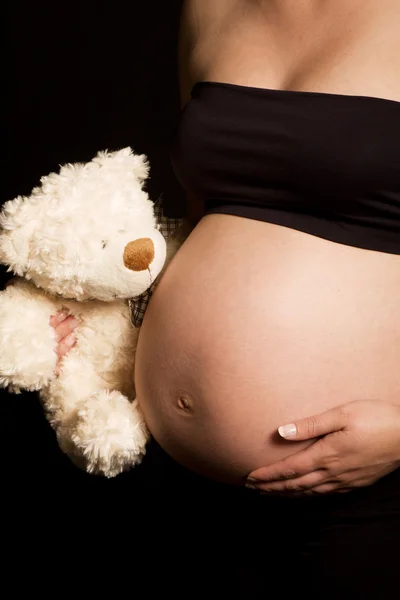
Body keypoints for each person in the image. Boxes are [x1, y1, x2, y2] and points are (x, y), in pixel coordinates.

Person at [53, 0, 400, 595]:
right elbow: (204, 219)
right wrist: (102, 323)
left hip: (356, 487)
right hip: (168, 479)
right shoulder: (213, 7)